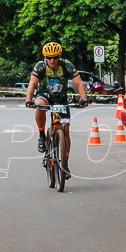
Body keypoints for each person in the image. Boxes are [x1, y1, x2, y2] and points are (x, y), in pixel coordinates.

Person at [24, 42, 88, 178]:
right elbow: (33, 83)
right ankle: (42, 135)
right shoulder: (40, 66)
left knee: (65, 130)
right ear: (45, 57)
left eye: (55, 57)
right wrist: (29, 100)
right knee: (40, 104)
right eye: (49, 57)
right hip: (45, 96)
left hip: (61, 99)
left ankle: (65, 164)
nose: (52, 60)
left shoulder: (67, 66)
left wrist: (83, 99)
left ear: (59, 56)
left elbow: (79, 83)